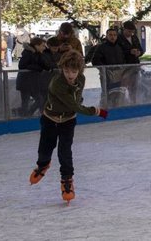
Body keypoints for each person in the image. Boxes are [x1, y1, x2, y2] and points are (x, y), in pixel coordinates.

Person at [28, 50, 109, 203]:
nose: (70, 75)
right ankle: (43, 165)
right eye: (66, 71)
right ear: (62, 69)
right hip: (50, 119)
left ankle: (67, 181)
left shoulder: (81, 79)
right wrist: (96, 111)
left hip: (68, 121)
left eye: (74, 71)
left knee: (64, 152)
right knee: (45, 149)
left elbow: (77, 99)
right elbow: (73, 104)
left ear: (79, 70)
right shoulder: (57, 83)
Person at [16, 37, 55, 116]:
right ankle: (25, 115)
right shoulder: (27, 53)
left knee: (39, 100)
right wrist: (38, 68)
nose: (44, 48)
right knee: (26, 101)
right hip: (25, 82)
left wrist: (50, 67)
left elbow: (44, 64)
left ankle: (28, 114)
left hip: (33, 82)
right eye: (42, 46)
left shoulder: (38, 54)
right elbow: (22, 65)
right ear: (36, 46)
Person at [92, 28, 127, 107]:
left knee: (119, 93)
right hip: (106, 75)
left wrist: (122, 70)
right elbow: (95, 60)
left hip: (119, 75)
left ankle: (117, 109)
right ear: (107, 36)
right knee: (106, 94)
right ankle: (105, 110)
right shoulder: (101, 47)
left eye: (114, 35)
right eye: (110, 35)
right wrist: (104, 70)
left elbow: (124, 59)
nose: (112, 37)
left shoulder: (120, 47)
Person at [117, 21, 144, 103]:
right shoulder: (118, 38)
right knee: (123, 85)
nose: (131, 33)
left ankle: (133, 101)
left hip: (135, 65)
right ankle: (120, 101)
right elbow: (118, 52)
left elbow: (140, 49)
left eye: (132, 32)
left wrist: (139, 52)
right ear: (124, 29)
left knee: (134, 85)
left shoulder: (134, 38)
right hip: (124, 66)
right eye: (129, 31)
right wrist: (129, 51)